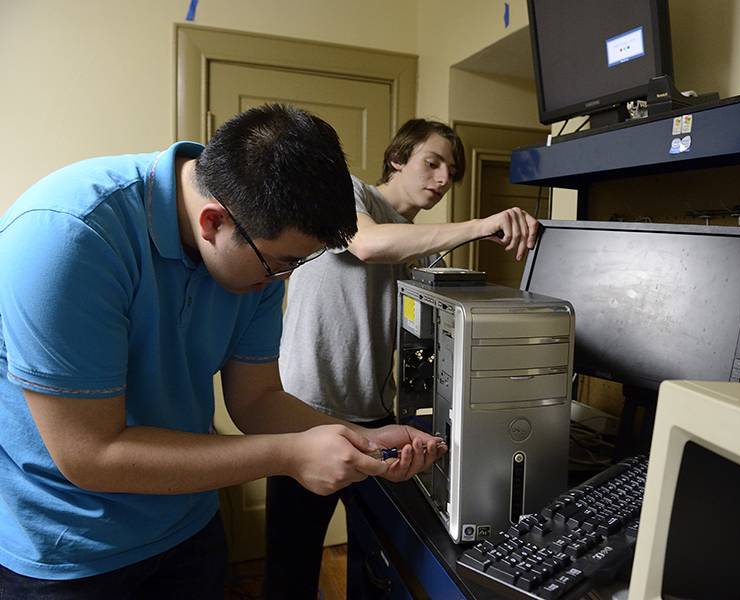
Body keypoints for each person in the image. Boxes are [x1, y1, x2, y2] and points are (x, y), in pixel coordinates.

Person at [0, 104, 445, 599]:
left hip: (188, 524)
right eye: (281, 263)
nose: (285, 278)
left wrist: (360, 436)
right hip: (70, 550)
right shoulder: (68, 237)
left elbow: (257, 401)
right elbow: (91, 454)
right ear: (213, 222)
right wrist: (289, 455)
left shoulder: (259, 253)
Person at [269, 118, 539, 599]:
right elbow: (369, 244)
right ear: (398, 159)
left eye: (450, 173)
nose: (441, 180)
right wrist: (482, 225)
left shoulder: (418, 248)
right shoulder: (348, 194)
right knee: (291, 569)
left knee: (374, 559)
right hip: (305, 412)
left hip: (374, 417)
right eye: (431, 163)